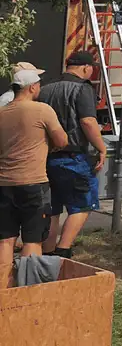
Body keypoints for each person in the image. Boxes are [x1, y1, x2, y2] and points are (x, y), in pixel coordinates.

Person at [38, 50, 108, 257]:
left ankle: (48, 252)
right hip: (73, 158)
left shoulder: (46, 88)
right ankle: (63, 250)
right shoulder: (82, 89)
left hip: (47, 157)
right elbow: (88, 121)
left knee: (52, 208)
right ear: (86, 68)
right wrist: (101, 148)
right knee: (82, 205)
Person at [0, 66, 67, 263]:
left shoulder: (2, 113)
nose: (40, 88)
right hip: (33, 183)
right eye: (38, 84)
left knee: (5, 239)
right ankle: (27, 288)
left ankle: (3, 287)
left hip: (3, 183)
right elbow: (62, 140)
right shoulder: (42, 110)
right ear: (30, 88)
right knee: (32, 239)